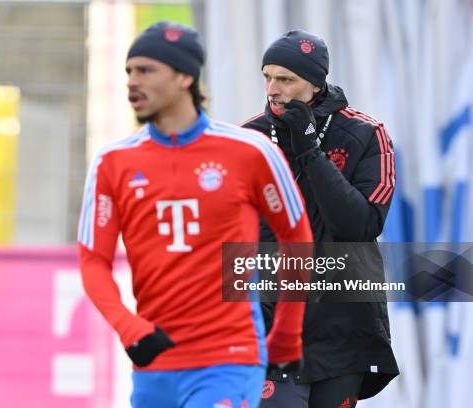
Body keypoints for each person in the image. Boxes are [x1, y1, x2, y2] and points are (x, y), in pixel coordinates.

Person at [78, 21, 313, 408]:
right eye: (128, 72)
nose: (132, 82)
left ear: (186, 76)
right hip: (155, 366)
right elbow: (92, 262)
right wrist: (129, 328)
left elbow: (297, 238)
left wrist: (287, 332)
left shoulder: (251, 151)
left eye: (146, 70)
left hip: (229, 358)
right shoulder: (112, 162)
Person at [242, 29, 399, 408]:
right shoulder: (251, 138)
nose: (272, 89)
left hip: (342, 327)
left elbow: (360, 226)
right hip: (272, 322)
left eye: (285, 79)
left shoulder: (366, 133)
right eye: (267, 77)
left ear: (314, 83)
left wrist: (310, 148)